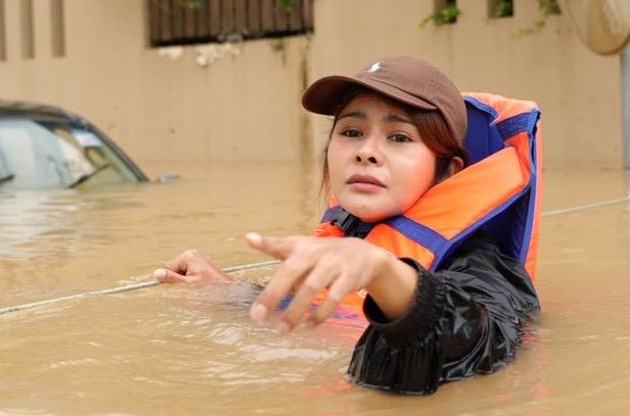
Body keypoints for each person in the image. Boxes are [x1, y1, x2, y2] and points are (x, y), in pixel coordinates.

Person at [154, 56, 542, 395]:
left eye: (400, 137)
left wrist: (382, 271)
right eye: (352, 132)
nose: (366, 152)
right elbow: (318, 312)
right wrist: (226, 291)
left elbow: (481, 340)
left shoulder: (484, 268)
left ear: (447, 173)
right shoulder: (348, 235)